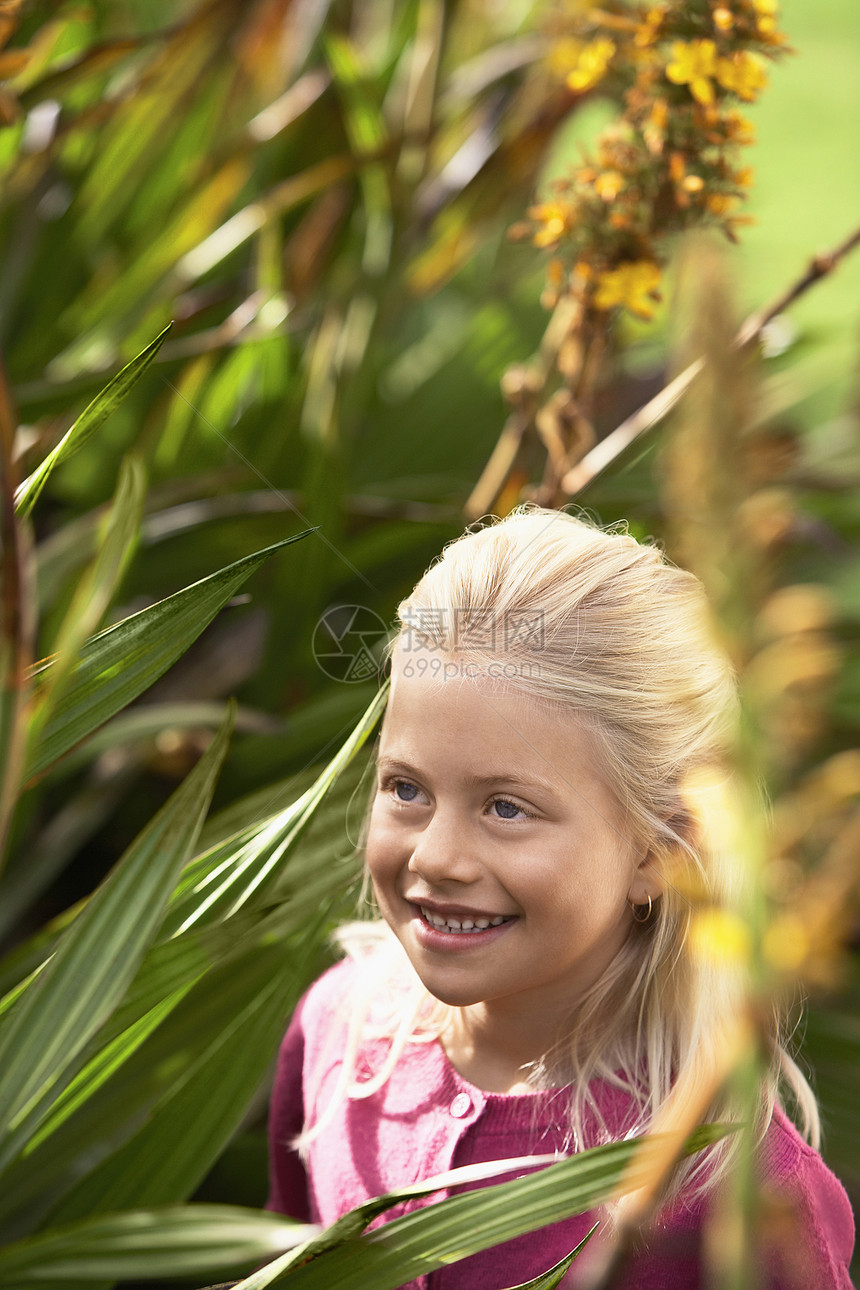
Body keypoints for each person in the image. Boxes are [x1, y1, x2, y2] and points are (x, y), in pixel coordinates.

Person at [267, 507, 854, 1289]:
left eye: (506, 808)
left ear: (662, 850)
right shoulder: (337, 1027)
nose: (437, 857)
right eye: (406, 788)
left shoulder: (733, 1187)